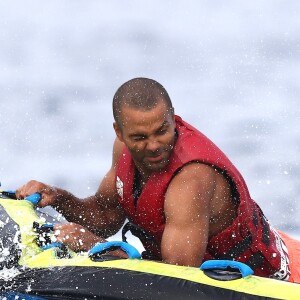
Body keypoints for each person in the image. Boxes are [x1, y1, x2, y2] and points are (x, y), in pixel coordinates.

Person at [17, 77, 300, 282]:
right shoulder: (124, 151)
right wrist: (59, 198)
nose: (153, 145)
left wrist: (92, 246)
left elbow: (176, 279)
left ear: (173, 119)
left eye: (161, 131)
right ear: (120, 133)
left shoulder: (191, 180)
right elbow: (105, 216)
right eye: (140, 137)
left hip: (277, 279)